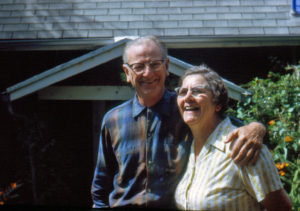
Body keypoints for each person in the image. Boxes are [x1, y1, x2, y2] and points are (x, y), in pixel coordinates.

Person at [91, 35, 267, 209]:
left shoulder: (187, 110)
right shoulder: (113, 120)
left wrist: (257, 127)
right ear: (127, 73)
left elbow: (231, 127)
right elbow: (101, 183)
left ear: (166, 66)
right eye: (138, 67)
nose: (148, 73)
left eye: (155, 64)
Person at [174, 65, 292, 210]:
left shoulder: (244, 147)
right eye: (182, 92)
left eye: (197, 91)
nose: (187, 97)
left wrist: (258, 127)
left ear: (217, 103)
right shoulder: (188, 148)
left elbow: (282, 208)